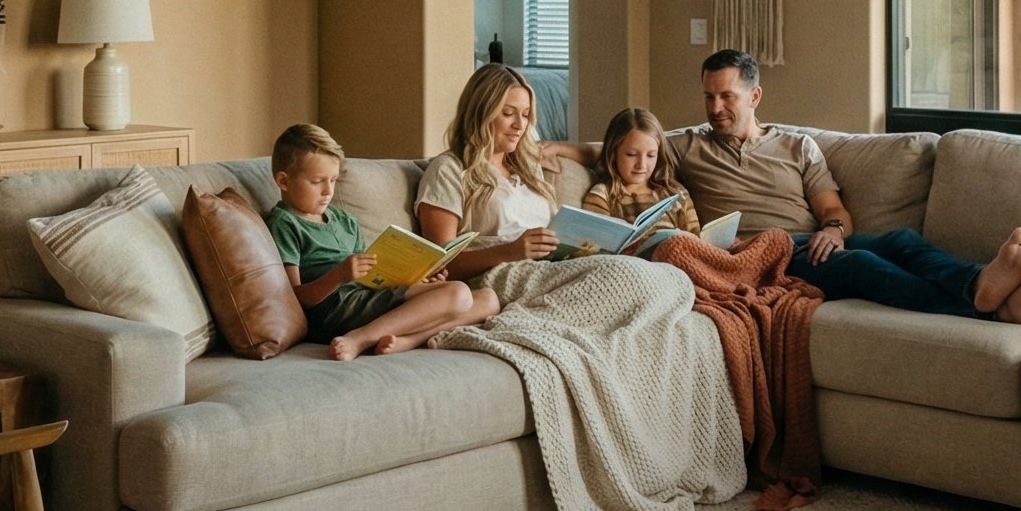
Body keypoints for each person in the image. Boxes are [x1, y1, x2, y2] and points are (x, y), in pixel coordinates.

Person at [665, 50, 1021, 323]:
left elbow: (833, 210)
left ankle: (983, 287)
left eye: (726, 96)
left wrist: (833, 230)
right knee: (861, 264)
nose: (715, 108)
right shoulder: (687, 147)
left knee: (900, 241)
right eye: (708, 96)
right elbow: (621, 149)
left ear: (754, 96)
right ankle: (981, 301)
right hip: (756, 258)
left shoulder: (797, 146)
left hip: (805, 246)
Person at [266, 123, 498, 361]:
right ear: (284, 181)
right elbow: (294, 298)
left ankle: (408, 339)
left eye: (333, 180)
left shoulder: (344, 220)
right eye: (317, 182)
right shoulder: (285, 224)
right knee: (458, 293)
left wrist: (417, 278)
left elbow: (370, 279)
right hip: (337, 310)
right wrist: (339, 276)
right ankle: (361, 338)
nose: (328, 191)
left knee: (488, 299)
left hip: (368, 297)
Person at [413, 62, 569, 279]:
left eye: (525, 115)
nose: (519, 125)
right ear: (481, 113)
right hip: (497, 277)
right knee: (617, 273)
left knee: (624, 267)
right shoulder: (448, 170)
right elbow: (439, 264)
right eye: (508, 113)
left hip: (546, 270)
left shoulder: (528, 167)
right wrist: (510, 251)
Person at [581, 107, 704, 242]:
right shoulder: (602, 195)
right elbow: (595, 243)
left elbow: (695, 238)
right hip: (631, 261)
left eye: (651, 155)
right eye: (632, 155)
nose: (642, 165)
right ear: (613, 153)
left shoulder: (676, 192)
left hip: (679, 257)